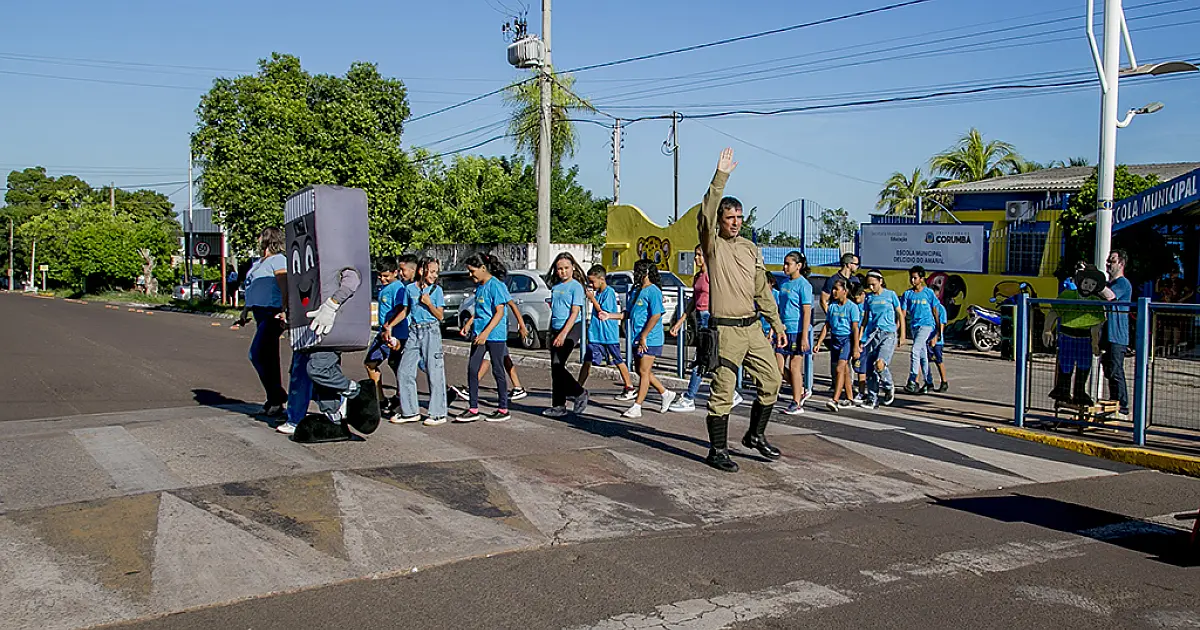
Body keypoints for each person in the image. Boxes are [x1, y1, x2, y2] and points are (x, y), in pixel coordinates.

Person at [696, 148, 785, 473]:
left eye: (739, 217)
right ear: (720, 221)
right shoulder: (713, 246)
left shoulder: (750, 248)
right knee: (722, 391)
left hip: (753, 328)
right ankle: (717, 450)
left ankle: (754, 435)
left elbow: (761, 289)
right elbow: (704, 217)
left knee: (772, 380)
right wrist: (720, 177)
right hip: (725, 331)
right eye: (730, 218)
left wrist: (775, 323)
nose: (736, 223)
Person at [602, 259, 676, 419]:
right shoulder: (635, 291)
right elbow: (627, 314)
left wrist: (644, 336)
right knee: (640, 370)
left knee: (643, 371)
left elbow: (656, 315)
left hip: (650, 338)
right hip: (636, 337)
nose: (636, 274)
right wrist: (610, 316)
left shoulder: (653, 291)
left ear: (647, 272)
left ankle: (637, 406)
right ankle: (665, 393)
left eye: (639, 270)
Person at [388, 257, 448, 426]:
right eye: (433, 271)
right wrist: (390, 325)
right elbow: (405, 311)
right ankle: (409, 411)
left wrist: (429, 304)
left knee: (434, 372)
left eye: (437, 271)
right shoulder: (409, 289)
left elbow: (440, 316)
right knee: (404, 371)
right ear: (422, 271)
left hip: (431, 331)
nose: (435, 275)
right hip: (414, 331)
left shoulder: (437, 290)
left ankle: (438, 413)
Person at [236, 227, 289, 417]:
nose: (257, 239)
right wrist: (245, 310)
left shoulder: (279, 260)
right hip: (259, 312)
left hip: (272, 312)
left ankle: (277, 396)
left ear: (267, 239)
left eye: (260, 236)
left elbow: (284, 287)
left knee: (256, 354)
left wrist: (284, 309)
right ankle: (273, 400)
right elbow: (252, 288)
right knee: (269, 357)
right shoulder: (259, 263)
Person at [456, 253, 512, 423]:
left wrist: (486, 333)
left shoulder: (496, 285)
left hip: (494, 335)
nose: (470, 275)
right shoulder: (480, 286)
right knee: (473, 368)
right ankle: (473, 408)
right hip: (478, 334)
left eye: (472, 271)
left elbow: (499, 312)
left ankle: (503, 408)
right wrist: (469, 324)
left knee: (497, 369)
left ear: (482, 268)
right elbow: (481, 311)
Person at [1043, 264, 1110, 407]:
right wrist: (1048, 329)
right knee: (1065, 364)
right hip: (1067, 335)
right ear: (1080, 282)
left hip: (1085, 338)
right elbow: (1054, 312)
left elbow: (1096, 326)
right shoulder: (1068, 295)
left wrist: (1095, 343)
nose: (1088, 286)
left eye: (1092, 284)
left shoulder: (1096, 302)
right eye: (1086, 282)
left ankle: (1080, 393)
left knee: (1084, 365)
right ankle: (1062, 391)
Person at [578, 265, 636, 400]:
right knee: (587, 360)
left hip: (608, 335)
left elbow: (602, 312)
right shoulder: (598, 293)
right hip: (596, 334)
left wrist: (592, 299)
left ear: (602, 279)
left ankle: (629, 386)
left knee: (617, 360)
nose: (591, 285)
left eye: (593, 282)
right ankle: (578, 387)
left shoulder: (609, 293)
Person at [543, 253, 589, 418]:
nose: (563, 271)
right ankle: (558, 405)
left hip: (570, 328)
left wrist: (563, 334)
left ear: (573, 268)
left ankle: (579, 392)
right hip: (556, 328)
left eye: (566, 268)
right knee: (555, 369)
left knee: (557, 365)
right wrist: (552, 333)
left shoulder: (575, 287)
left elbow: (575, 312)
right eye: (559, 269)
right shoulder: (556, 287)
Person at [669, 246, 711, 412]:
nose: (696, 258)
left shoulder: (712, 277)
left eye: (700, 255)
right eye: (696, 255)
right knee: (704, 359)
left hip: (710, 318)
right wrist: (679, 323)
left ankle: (689, 397)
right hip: (700, 318)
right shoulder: (698, 277)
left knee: (701, 359)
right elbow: (693, 301)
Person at [775, 250, 813, 415]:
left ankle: (796, 402)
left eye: (788, 263)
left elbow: (806, 312)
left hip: (797, 331)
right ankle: (800, 389)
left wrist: (804, 336)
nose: (785, 267)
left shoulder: (804, 285)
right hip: (782, 330)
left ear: (798, 266)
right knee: (777, 365)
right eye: (784, 263)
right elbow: (779, 309)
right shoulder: (784, 284)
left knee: (795, 366)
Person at [859, 270, 904, 408]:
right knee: (870, 368)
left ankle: (888, 385)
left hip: (888, 333)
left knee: (880, 364)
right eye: (869, 285)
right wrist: (860, 338)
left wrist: (902, 334)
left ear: (880, 281)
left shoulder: (890, 295)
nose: (871, 288)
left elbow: (900, 315)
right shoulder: (869, 298)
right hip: (873, 335)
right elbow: (865, 319)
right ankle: (872, 399)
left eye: (873, 284)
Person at [815, 278, 860, 412]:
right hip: (834, 339)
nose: (834, 292)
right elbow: (826, 326)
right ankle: (850, 398)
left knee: (840, 368)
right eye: (833, 289)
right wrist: (818, 343)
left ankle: (835, 399)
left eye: (837, 289)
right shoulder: (832, 307)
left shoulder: (852, 307)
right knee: (843, 370)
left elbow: (855, 328)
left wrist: (856, 347)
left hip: (846, 340)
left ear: (845, 291)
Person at [820, 252, 861, 393]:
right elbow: (823, 299)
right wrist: (832, 317)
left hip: (850, 327)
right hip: (837, 328)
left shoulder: (855, 280)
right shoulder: (833, 280)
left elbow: (860, 298)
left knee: (847, 360)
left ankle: (848, 388)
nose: (857, 266)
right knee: (836, 359)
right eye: (855, 263)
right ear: (848, 264)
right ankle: (836, 384)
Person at [366, 259, 402, 418]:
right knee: (370, 364)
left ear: (395, 273)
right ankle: (380, 399)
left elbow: (401, 310)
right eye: (380, 276)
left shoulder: (398, 288)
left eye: (386, 275)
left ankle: (402, 398)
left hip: (393, 333)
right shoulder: (383, 289)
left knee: (398, 366)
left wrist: (389, 326)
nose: (383, 278)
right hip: (382, 333)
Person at [1101, 249, 1132, 420]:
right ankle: (1114, 403)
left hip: (1117, 335)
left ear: (1121, 264)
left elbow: (1110, 297)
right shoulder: (1110, 284)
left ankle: (1123, 406)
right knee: (1108, 369)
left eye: (1112, 261)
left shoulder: (1123, 284)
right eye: (1108, 260)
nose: (1108, 264)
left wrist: (1097, 285)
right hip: (1107, 333)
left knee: (1115, 370)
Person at [901, 265, 939, 394]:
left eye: (915, 278)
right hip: (915, 326)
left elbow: (935, 310)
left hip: (927, 325)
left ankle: (913, 380)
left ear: (921, 279)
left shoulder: (928, 293)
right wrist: (900, 330)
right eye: (911, 278)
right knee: (923, 355)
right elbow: (903, 313)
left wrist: (937, 331)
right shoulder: (908, 294)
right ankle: (929, 381)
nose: (912, 280)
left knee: (915, 350)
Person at [930, 300, 949, 392]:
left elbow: (942, 324)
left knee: (938, 361)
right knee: (922, 361)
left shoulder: (940, 308)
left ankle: (944, 382)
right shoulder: (927, 307)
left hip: (937, 341)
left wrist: (937, 336)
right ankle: (917, 382)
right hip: (926, 338)